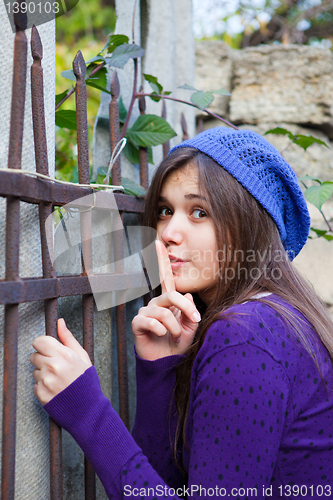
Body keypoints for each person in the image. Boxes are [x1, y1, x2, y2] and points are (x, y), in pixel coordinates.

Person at [31, 127, 333, 499]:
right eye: (164, 210)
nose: (169, 231)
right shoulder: (276, 318)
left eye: (199, 212)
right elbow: (171, 485)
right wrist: (160, 368)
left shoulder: (246, 335)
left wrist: (87, 410)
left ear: (250, 224)